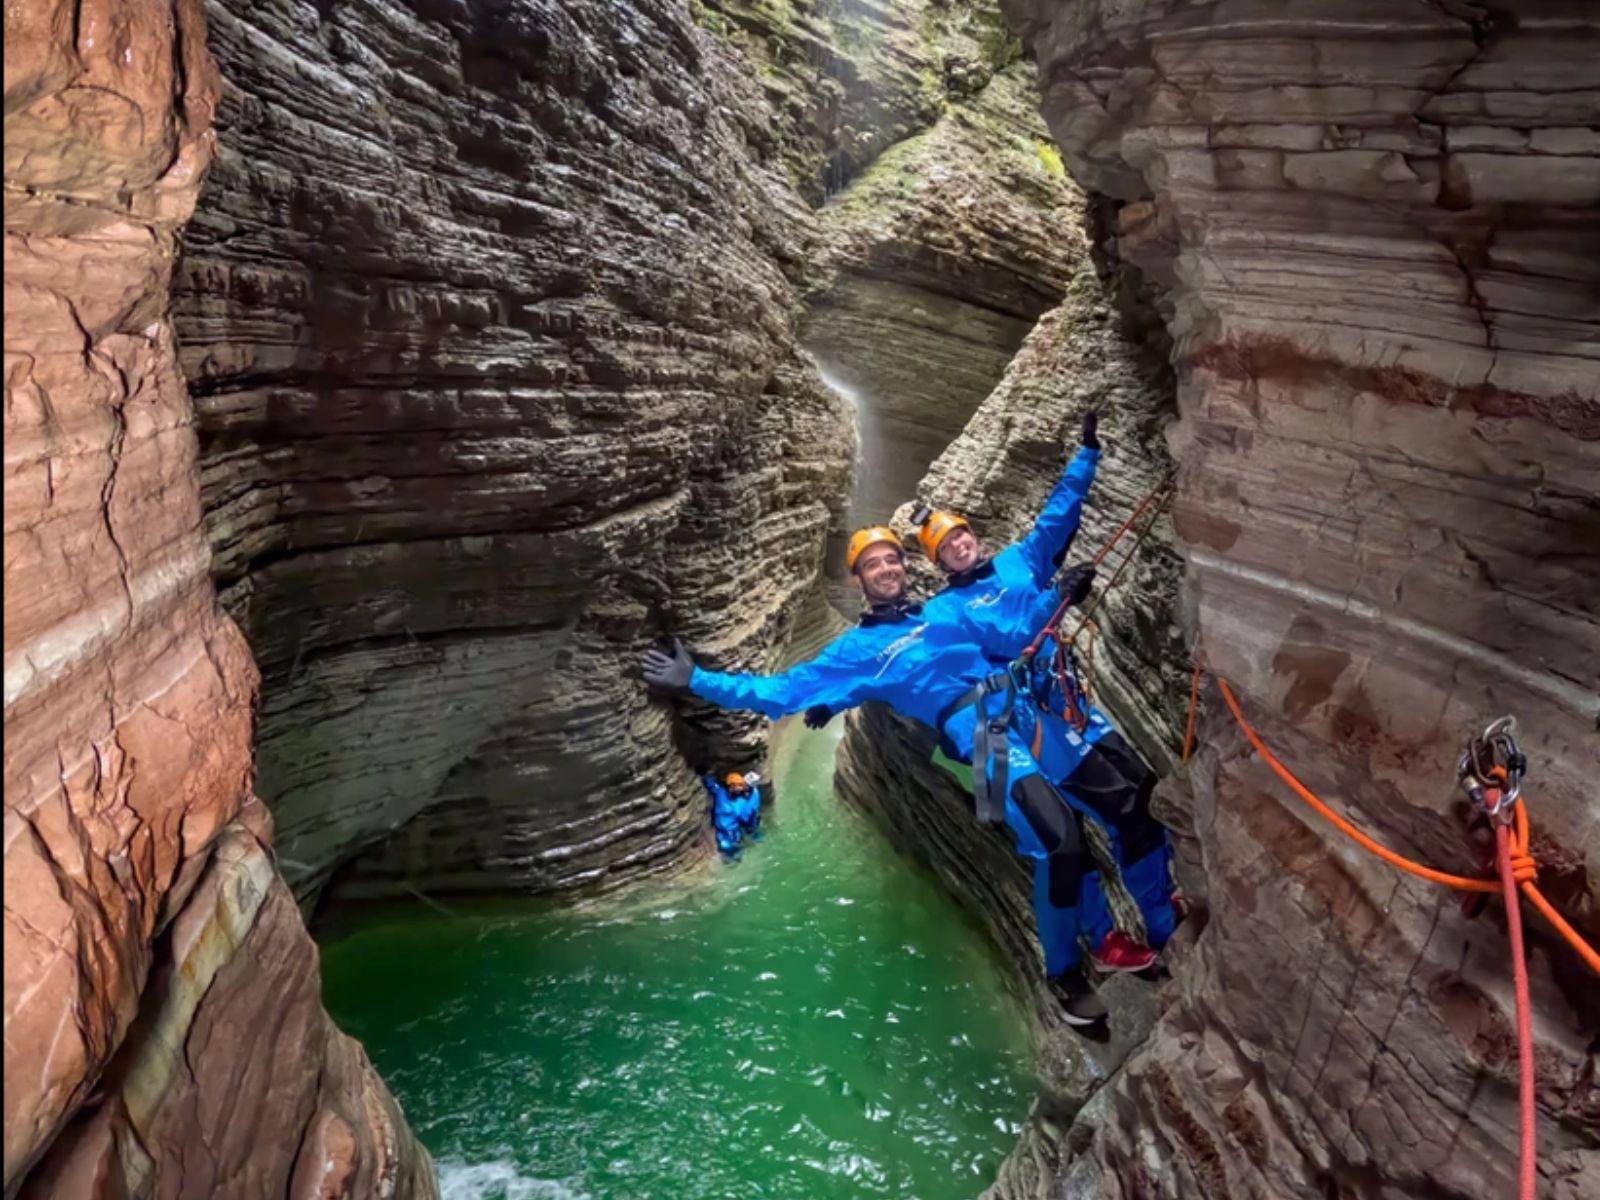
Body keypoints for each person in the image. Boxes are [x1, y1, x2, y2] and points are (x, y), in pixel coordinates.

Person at [643, 526, 1135, 1025]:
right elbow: (780, 692)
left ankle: (1102, 938)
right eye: (872, 564)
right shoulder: (855, 650)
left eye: (892, 559)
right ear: (858, 580)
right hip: (983, 736)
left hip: (1023, 709)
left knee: (1079, 825)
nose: (886, 569)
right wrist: (697, 680)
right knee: (1057, 839)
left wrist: (1058, 598)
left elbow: (1009, 634)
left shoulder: (940, 610)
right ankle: (1064, 975)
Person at [914, 409, 1178, 959]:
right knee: (1097, 821)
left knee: (1143, 795)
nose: (959, 544)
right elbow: (1010, 635)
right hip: (1030, 727)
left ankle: (1159, 908)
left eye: (961, 534)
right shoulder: (947, 610)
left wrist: (1087, 455)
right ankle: (1116, 936)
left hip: (1072, 708)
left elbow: (1055, 521)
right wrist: (1055, 596)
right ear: (939, 563)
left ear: (973, 534)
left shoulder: (1017, 562)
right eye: (947, 545)